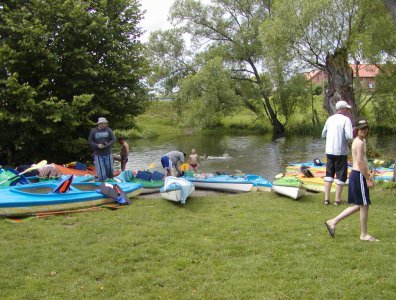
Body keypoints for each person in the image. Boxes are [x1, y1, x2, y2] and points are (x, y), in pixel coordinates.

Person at [325, 119, 378, 241]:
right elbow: (359, 162)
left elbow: (363, 161)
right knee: (363, 205)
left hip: (359, 174)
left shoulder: (361, 140)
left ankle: (333, 222)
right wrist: (367, 178)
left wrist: (368, 173)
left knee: (361, 205)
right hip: (358, 175)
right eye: (361, 128)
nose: (364, 130)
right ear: (357, 130)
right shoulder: (359, 143)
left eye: (365, 128)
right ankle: (363, 234)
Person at [321, 100, 353, 206]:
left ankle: (326, 199)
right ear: (342, 109)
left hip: (329, 151)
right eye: (347, 109)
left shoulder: (330, 119)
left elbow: (323, 134)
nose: (348, 111)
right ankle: (337, 200)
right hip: (341, 151)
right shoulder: (346, 120)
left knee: (329, 174)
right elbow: (349, 137)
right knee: (341, 175)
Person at [88, 117, 116, 181]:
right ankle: (102, 183)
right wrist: (97, 145)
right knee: (101, 171)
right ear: (99, 124)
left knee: (109, 169)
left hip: (108, 153)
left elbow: (113, 139)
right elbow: (90, 141)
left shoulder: (109, 130)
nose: (105, 125)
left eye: (105, 124)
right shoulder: (93, 131)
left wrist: (107, 145)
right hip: (98, 154)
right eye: (103, 124)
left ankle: (110, 181)